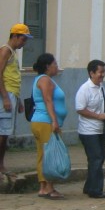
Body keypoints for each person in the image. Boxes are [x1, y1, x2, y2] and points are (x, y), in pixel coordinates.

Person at [31, 53, 67, 199]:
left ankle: (43, 187)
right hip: (45, 121)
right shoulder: (45, 80)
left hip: (39, 121)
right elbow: (48, 100)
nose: (57, 67)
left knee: (43, 154)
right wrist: (54, 121)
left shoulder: (42, 79)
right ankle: (49, 188)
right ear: (47, 66)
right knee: (50, 153)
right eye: (55, 64)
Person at [0, 23, 32, 176]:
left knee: (5, 133)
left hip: (12, 94)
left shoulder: (12, 52)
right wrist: (5, 97)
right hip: (5, 95)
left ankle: (1, 164)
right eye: (23, 39)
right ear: (15, 36)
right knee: (2, 132)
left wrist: (17, 100)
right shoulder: (6, 50)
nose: (24, 43)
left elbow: (12, 76)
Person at [75, 59, 105, 198]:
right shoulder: (84, 89)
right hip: (88, 130)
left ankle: (89, 186)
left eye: (103, 72)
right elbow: (80, 109)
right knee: (96, 158)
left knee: (98, 159)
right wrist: (98, 116)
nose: (102, 75)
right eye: (100, 72)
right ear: (92, 73)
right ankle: (95, 190)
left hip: (100, 129)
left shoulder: (102, 88)